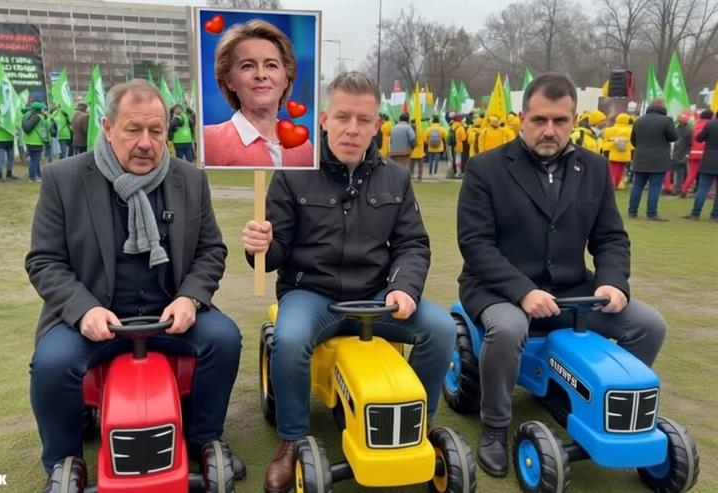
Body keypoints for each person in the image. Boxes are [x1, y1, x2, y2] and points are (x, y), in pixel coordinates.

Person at [25, 80, 244, 492]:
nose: (146, 143)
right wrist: (84, 310)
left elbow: (211, 250)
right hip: (94, 319)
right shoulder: (63, 178)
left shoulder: (190, 180)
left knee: (224, 338)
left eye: (156, 131)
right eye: (133, 130)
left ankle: (204, 441)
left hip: (168, 314)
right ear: (108, 128)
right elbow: (44, 261)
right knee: (52, 364)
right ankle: (63, 461)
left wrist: (190, 297)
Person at [241, 71, 455, 493]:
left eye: (363, 119)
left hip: (377, 296)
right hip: (311, 294)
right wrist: (259, 246)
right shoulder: (292, 172)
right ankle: (291, 439)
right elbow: (274, 254)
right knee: (288, 339)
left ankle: (420, 424)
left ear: (377, 125)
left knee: (441, 328)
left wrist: (402, 288)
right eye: (342, 117)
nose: (352, 129)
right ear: (324, 119)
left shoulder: (395, 177)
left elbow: (412, 244)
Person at [456, 73, 666, 478]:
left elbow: (610, 237)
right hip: (498, 288)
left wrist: (612, 281)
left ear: (574, 120)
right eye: (539, 120)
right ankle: (495, 426)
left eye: (559, 121)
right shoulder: (485, 169)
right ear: (522, 118)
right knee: (507, 328)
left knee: (648, 324)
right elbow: (476, 244)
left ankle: (601, 410)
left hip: (574, 290)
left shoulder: (595, 167)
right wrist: (523, 291)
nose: (549, 130)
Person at [203, 19, 313, 167]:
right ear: (230, 81)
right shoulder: (208, 141)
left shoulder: (305, 147)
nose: (261, 75)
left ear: (286, 79)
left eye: (271, 65)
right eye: (247, 66)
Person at [628, 97, 677, 221]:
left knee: (637, 186)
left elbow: (633, 140)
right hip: (658, 160)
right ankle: (652, 213)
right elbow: (674, 137)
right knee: (655, 187)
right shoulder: (667, 120)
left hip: (640, 158)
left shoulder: (639, 120)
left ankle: (632, 211)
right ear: (663, 107)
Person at [684, 113, 718, 222]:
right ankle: (715, 216)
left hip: (709, 159)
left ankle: (695, 213)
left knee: (702, 188)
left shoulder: (710, 124)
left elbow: (699, 138)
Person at [679, 109, 711, 198]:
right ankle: (708, 192)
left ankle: (684, 190)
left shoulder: (695, 125)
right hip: (705, 153)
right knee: (709, 175)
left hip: (693, 153)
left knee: (691, 175)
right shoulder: (709, 125)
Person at [601, 112, 634, 189]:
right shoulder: (630, 131)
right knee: (620, 170)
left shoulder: (608, 130)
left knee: (612, 170)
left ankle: (612, 185)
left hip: (612, 153)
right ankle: (615, 184)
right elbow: (632, 144)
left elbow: (605, 142)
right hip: (625, 154)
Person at [665, 111, 692, 195]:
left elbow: (689, 144)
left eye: (683, 118)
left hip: (681, 153)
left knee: (679, 172)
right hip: (675, 152)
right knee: (675, 171)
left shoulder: (688, 130)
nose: (681, 119)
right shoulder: (677, 128)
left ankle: (677, 189)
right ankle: (674, 188)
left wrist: (687, 155)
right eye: (680, 118)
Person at [22, 102, 47, 182]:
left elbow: (27, 128)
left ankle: (35, 176)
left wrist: (23, 120)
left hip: (32, 141)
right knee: (35, 160)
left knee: (34, 160)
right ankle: (33, 176)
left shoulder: (36, 117)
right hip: (36, 141)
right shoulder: (40, 117)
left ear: (34, 109)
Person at [0, 108, 18, 182]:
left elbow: (15, 126)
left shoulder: (11, 116)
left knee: (11, 157)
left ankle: (9, 174)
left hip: (9, 139)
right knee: (1, 158)